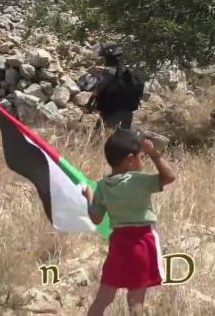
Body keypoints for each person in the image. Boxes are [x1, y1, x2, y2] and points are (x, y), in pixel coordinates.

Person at [81, 128, 176, 316]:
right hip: (142, 242)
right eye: (142, 157)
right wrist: (154, 154)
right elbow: (169, 177)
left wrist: (89, 196)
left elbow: (96, 218)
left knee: (104, 298)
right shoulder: (138, 180)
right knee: (135, 300)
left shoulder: (102, 186)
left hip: (117, 244)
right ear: (130, 159)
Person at [92, 41, 145, 131]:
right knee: (123, 137)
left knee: (99, 137)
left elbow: (97, 91)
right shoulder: (125, 71)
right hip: (127, 112)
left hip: (112, 112)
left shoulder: (108, 72)